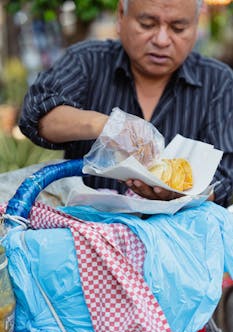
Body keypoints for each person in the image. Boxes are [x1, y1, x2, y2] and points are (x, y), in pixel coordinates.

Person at [19, 0, 233, 207]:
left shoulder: (218, 82)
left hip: (178, 237)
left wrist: (183, 194)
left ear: (196, 24)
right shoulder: (87, 61)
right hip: (88, 230)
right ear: (121, 15)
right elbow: (36, 114)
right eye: (147, 24)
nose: (161, 40)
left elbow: (226, 176)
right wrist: (108, 126)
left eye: (178, 28)